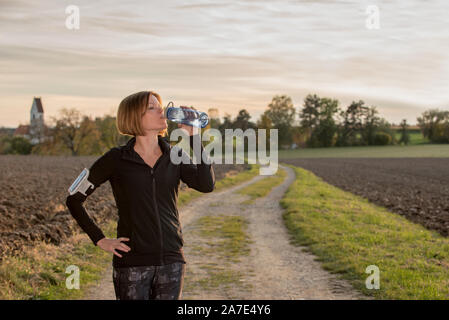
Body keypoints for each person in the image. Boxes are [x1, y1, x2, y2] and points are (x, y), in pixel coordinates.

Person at [65, 91, 215, 300]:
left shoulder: (176, 155)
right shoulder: (115, 159)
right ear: (135, 117)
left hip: (171, 261)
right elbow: (74, 200)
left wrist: (194, 137)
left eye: (160, 106)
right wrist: (99, 239)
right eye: (152, 107)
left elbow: (206, 185)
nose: (161, 111)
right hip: (132, 264)